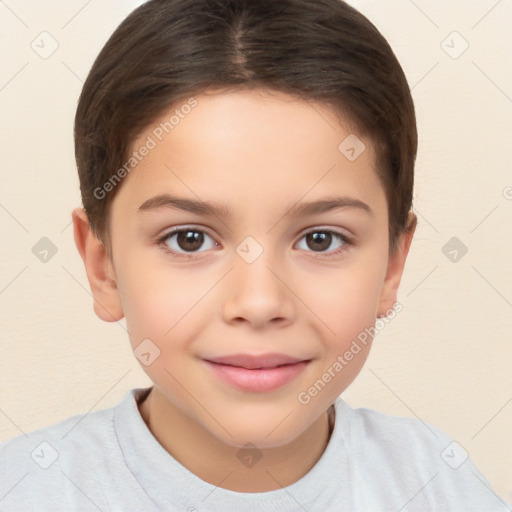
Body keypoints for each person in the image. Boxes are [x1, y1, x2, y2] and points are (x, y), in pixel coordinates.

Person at [1, 0, 510, 510]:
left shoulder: (443, 486)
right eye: (190, 239)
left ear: (392, 266)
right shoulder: (25, 490)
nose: (260, 302)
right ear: (102, 266)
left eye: (320, 239)